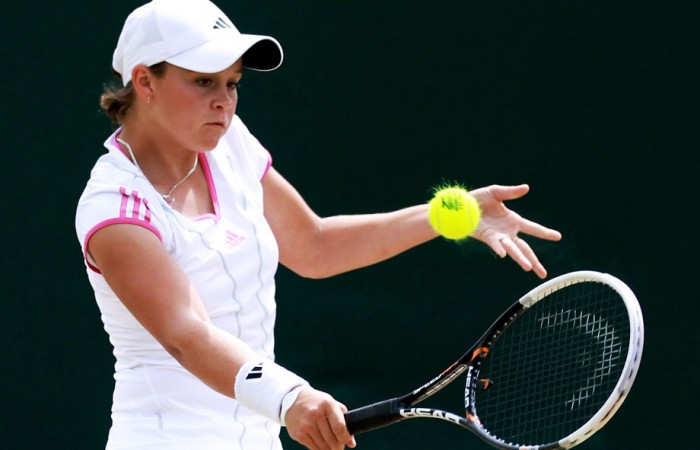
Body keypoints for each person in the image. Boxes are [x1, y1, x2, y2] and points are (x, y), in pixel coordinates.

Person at [75, 1, 562, 449]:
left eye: (233, 82)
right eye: (204, 82)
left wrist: (452, 214)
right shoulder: (115, 208)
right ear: (144, 82)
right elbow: (189, 333)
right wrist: (290, 398)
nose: (224, 101)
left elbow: (313, 245)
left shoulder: (228, 145)